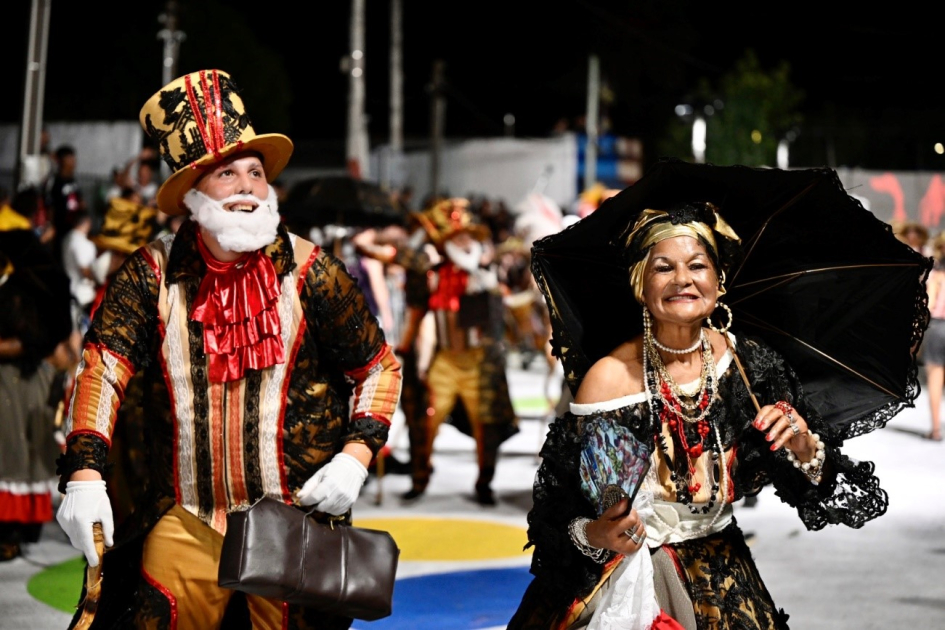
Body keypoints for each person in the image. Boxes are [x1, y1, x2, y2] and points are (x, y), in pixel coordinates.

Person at [54, 69, 402, 629]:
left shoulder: (314, 271)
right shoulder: (151, 274)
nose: (246, 186)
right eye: (226, 173)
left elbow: (378, 368)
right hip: (182, 518)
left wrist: (356, 458)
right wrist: (85, 473)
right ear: (192, 192)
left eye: (255, 172)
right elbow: (102, 368)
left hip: (291, 520)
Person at [507, 201, 889, 629]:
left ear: (718, 281)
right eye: (663, 267)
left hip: (721, 579)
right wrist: (596, 535)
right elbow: (554, 515)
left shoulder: (749, 368)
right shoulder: (607, 380)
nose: (683, 279)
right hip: (616, 581)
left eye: (697, 265)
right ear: (640, 284)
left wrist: (802, 443)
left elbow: (817, 487)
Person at [357, 198, 517, 505]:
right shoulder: (431, 272)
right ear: (443, 242)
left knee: (487, 424)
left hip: (480, 362)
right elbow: (405, 280)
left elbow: (502, 319)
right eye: (457, 236)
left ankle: (485, 482)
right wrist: (404, 347)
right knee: (424, 421)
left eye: (469, 235)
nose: (464, 240)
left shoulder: (487, 272)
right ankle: (420, 476)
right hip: (443, 360)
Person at [921, 231, 945, 442]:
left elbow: (929, 305)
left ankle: (936, 429)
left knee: (935, 379)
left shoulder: (937, 276)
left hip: (938, 328)